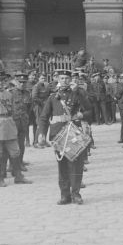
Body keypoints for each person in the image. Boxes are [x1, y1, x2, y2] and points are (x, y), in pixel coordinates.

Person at [38, 69, 92, 205]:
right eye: (62, 78)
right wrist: (41, 134)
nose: (64, 81)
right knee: (62, 166)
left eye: (67, 78)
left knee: (76, 165)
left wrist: (82, 114)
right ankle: (65, 195)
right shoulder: (52, 97)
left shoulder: (77, 94)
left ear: (71, 80)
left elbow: (90, 110)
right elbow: (44, 117)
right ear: (58, 80)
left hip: (73, 132)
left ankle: (76, 194)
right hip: (58, 134)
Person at [0, 69, 32, 187]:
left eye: (3, 80)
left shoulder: (9, 94)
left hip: (9, 126)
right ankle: (0, 178)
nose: (1, 82)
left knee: (15, 151)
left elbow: (13, 111)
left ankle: (18, 176)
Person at [10, 72, 32, 169]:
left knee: (21, 143)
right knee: (11, 144)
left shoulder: (27, 93)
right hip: (12, 122)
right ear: (15, 82)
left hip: (23, 121)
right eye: (20, 82)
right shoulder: (10, 93)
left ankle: (20, 163)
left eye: (24, 82)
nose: (22, 84)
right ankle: (11, 164)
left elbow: (29, 108)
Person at [31, 73, 50, 148]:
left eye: (44, 78)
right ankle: (36, 142)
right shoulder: (36, 86)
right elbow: (34, 97)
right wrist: (43, 103)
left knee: (46, 123)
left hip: (45, 106)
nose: (43, 80)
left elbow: (48, 95)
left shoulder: (46, 86)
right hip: (38, 106)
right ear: (38, 79)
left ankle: (43, 140)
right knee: (39, 123)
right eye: (42, 78)